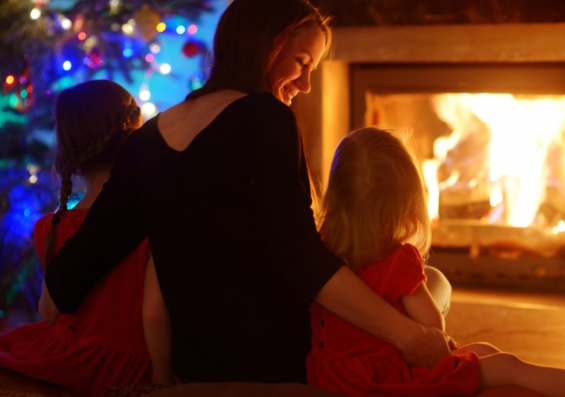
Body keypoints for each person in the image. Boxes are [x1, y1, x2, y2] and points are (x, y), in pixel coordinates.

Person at [42, 0, 455, 385]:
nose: (307, 84)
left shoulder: (146, 142)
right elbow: (302, 260)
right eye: (301, 62)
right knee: (430, 283)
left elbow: (68, 278)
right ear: (268, 44)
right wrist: (408, 337)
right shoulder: (264, 116)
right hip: (286, 357)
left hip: (197, 366)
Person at [307, 127, 565, 397]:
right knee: (509, 365)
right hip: (387, 383)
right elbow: (432, 327)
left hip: (334, 378)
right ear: (404, 207)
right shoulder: (397, 260)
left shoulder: (323, 254)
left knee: (485, 354)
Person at [0, 80, 176, 397]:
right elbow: (153, 314)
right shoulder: (151, 220)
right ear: (133, 134)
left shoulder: (50, 226)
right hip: (129, 367)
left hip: (66, 359)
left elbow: (49, 311)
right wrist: (165, 380)